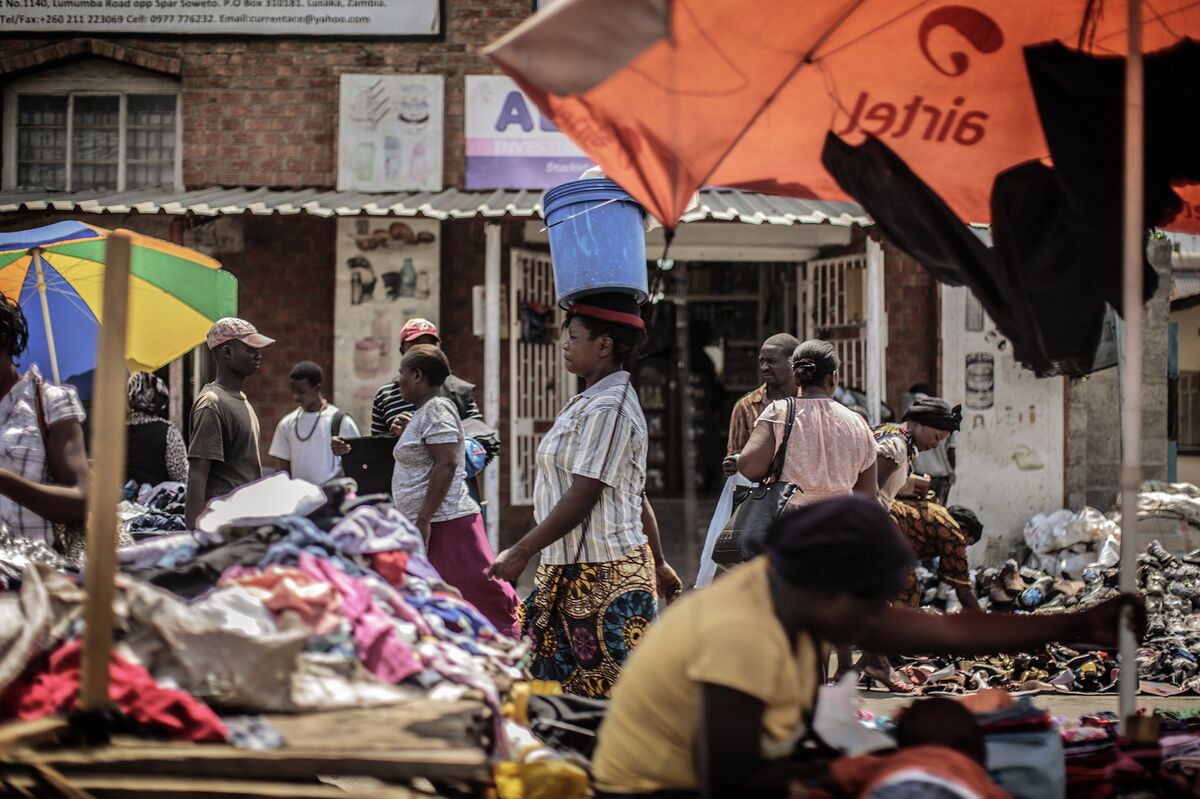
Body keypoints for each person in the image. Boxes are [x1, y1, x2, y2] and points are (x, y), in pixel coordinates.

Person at [589, 495, 1144, 799]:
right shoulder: (741, 633)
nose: (875, 621)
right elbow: (735, 783)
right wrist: (884, 763)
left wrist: (1077, 625)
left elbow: (946, 632)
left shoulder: (789, 589)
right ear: (833, 595)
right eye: (870, 606)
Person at [487, 293, 683, 699]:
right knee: (543, 689)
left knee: (608, 701)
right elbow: (634, 492)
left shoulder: (610, 408)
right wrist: (660, 563)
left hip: (605, 576)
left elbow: (586, 492)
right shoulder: (586, 402)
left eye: (573, 336)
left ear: (605, 345)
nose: (565, 345)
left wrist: (522, 550)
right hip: (565, 569)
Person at [390, 344, 519, 636]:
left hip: (448, 524)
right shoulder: (425, 412)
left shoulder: (437, 409)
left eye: (402, 373)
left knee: (484, 596)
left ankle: (519, 646)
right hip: (433, 524)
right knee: (445, 600)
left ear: (418, 376)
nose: (399, 380)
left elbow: (446, 465)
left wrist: (423, 518)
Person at [738, 340, 877, 508]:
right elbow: (867, 493)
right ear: (833, 378)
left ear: (796, 378)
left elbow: (749, 468)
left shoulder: (778, 413)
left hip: (790, 525)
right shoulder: (856, 423)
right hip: (839, 525)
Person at [0, 295, 88, 548]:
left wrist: (3, 480)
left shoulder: (51, 402)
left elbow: (81, 499)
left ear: (4, 339)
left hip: (30, 575)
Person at [185, 318, 274, 530]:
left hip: (243, 523)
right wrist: (193, 537)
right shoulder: (212, 404)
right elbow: (197, 475)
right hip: (222, 526)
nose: (258, 355)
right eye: (250, 349)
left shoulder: (240, 399)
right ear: (227, 352)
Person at [269, 361, 360, 485]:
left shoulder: (341, 421)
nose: (296, 397)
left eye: (302, 392)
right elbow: (283, 470)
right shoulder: (287, 424)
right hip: (299, 499)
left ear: (317, 388)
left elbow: (357, 462)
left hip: (332, 497)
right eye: (293, 391)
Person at [722, 333, 799, 477]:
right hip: (759, 492)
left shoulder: (808, 402)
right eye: (761, 361)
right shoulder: (746, 406)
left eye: (772, 361)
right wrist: (733, 464)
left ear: (792, 362)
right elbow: (736, 454)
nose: (764, 367)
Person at [125, 371, 188, 487]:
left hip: (118, 502)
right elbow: (182, 477)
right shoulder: (168, 431)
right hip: (155, 502)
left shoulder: (115, 432)